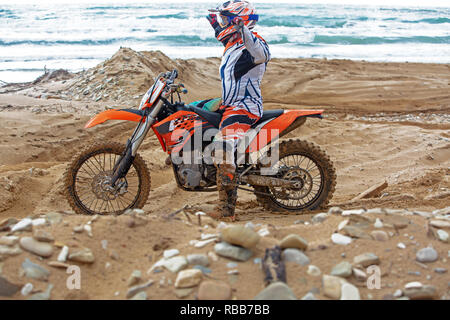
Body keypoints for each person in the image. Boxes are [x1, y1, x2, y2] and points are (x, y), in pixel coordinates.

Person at [205, 0, 271, 221]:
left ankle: (226, 209)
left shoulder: (254, 44)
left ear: (238, 21)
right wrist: (215, 23)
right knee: (191, 111)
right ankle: (183, 153)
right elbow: (221, 35)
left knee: (222, 149)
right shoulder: (232, 41)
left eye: (226, 19)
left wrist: (241, 27)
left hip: (244, 107)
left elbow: (261, 55)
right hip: (228, 102)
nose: (223, 24)